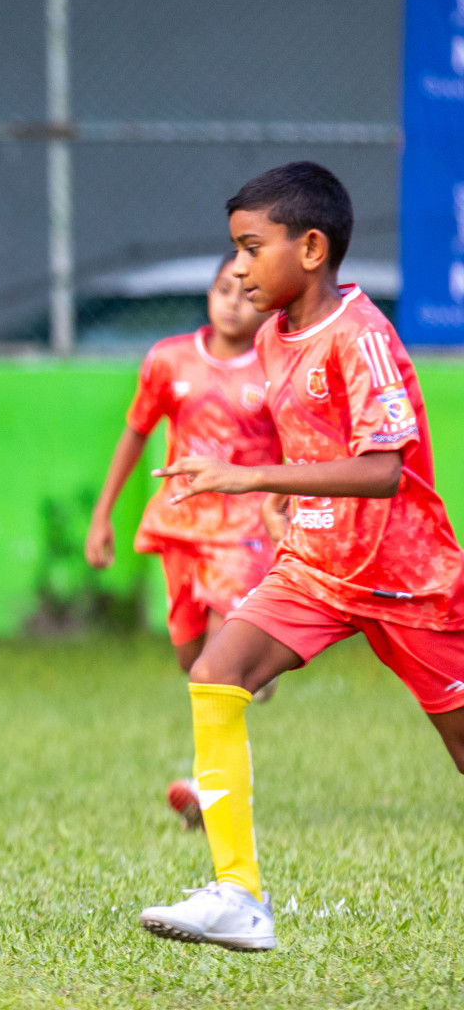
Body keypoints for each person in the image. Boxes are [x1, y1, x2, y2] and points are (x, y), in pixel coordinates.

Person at [138, 161, 464, 952]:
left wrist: (252, 478)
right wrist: (286, 504)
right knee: (217, 672)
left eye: (252, 247)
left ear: (311, 247)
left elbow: (382, 470)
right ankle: (239, 895)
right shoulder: (276, 338)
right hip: (317, 568)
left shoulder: (363, 335)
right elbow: (312, 443)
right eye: (235, 250)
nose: (239, 267)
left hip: (407, 578)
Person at [85, 254, 280, 827]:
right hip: (180, 527)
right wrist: (103, 515)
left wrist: (284, 509)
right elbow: (136, 432)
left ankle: (208, 787)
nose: (233, 301)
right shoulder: (167, 360)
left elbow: (296, 450)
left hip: (243, 531)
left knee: (221, 657)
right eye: (224, 288)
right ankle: (252, 674)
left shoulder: (272, 370)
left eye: (246, 292)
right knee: (192, 658)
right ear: (209, 294)